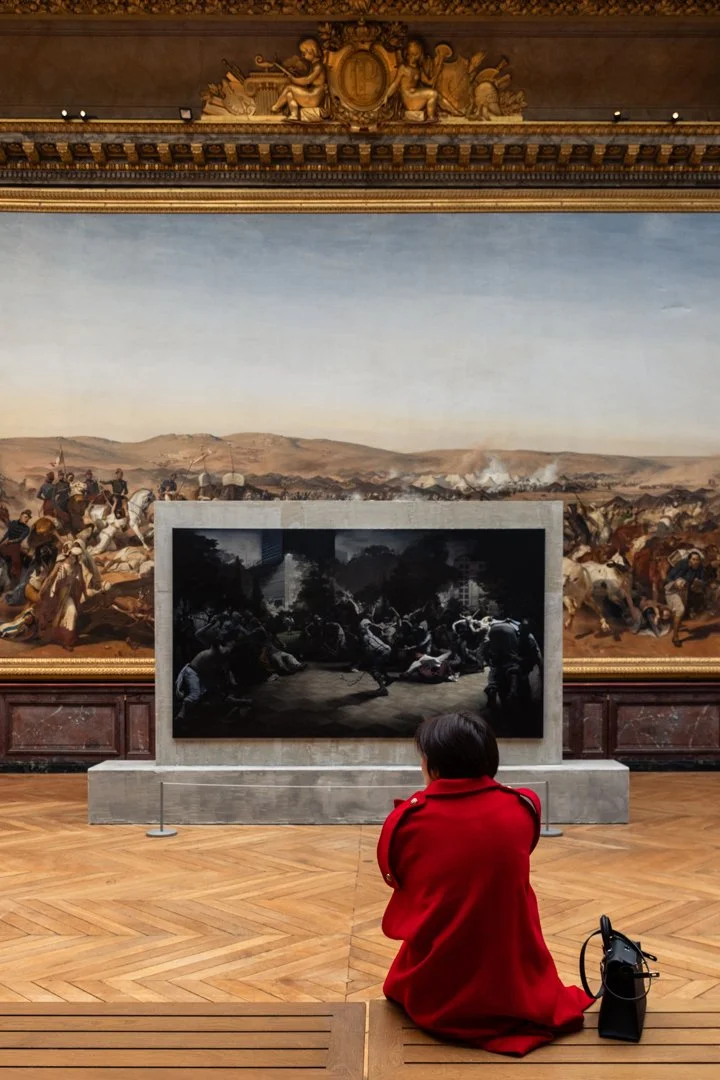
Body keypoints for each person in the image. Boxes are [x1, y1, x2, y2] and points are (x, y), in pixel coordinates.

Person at [378, 712, 593, 1056]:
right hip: (514, 969)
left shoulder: (407, 822)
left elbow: (397, 878)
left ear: (434, 763)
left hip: (441, 982)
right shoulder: (524, 807)